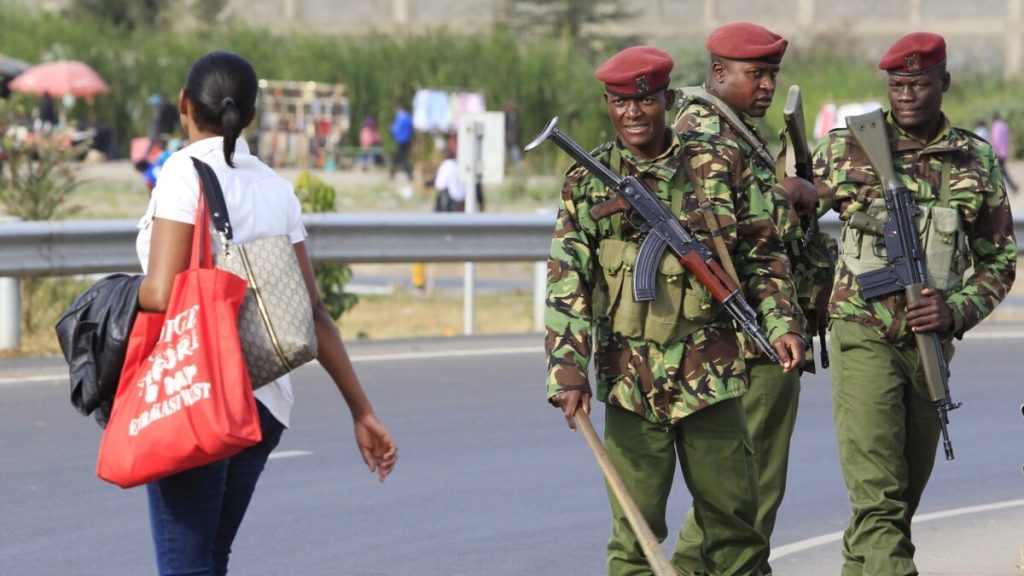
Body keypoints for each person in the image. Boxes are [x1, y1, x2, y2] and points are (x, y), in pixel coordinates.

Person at [544, 45, 806, 576]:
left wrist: (781, 323)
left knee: (735, 530)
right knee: (635, 540)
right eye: (620, 103)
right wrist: (566, 370)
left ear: (667, 98)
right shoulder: (587, 181)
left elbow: (762, 254)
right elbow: (567, 279)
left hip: (711, 379)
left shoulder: (717, 163)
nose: (633, 114)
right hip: (630, 384)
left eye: (644, 101)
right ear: (608, 105)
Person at [135, 51, 398, 576]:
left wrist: (116, 294)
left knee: (187, 566)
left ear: (184, 104)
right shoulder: (277, 190)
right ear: (251, 116)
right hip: (264, 405)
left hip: (199, 397)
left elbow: (161, 293)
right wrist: (361, 411)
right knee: (211, 559)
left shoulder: (182, 173)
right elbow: (315, 312)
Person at [812, 32, 1016, 575]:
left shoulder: (975, 160)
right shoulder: (846, 147)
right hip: (862, 335)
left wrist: (956, 312)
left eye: (919, 84)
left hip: (930, 345)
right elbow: (788, 220)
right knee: (878, 499)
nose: (905, 96)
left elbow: (998, 262)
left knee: (895, 508)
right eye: (896, 85)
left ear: (943, 83)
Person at [670, 22, 835, 576]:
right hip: (748, 331)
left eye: (772, 74)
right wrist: (791, 197)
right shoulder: (707, 133)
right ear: (719, 73)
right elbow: (725, 232)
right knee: (749, 480)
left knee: (741, 479)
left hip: (756, 326)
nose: (766, 85)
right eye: (755, 74)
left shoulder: (733, 127)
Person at [990, 111, 1019, 193]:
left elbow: (996, 140)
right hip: (1005, 152)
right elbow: (1008, 139)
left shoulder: (995, 126)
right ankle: (1012, 187)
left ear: (993, 119)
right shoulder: (1004, 125)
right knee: (1002, 171)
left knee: (999, 171)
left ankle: (1010, 188)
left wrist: (994, 150)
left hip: (998, 152)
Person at [432, 147, 465, 211]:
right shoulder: (457, 165)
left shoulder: (446, 165)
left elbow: (440, 184)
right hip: (461, 199)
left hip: (450, 200)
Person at [389, 101, 414, 181]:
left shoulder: (400, 117)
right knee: (400, 157)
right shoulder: (408, 116)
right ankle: (392, 174)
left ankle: (408, 174)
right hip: (407, 139)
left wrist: (392, 128)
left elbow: (397, 129)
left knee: (401, 158)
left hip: (401, 140)